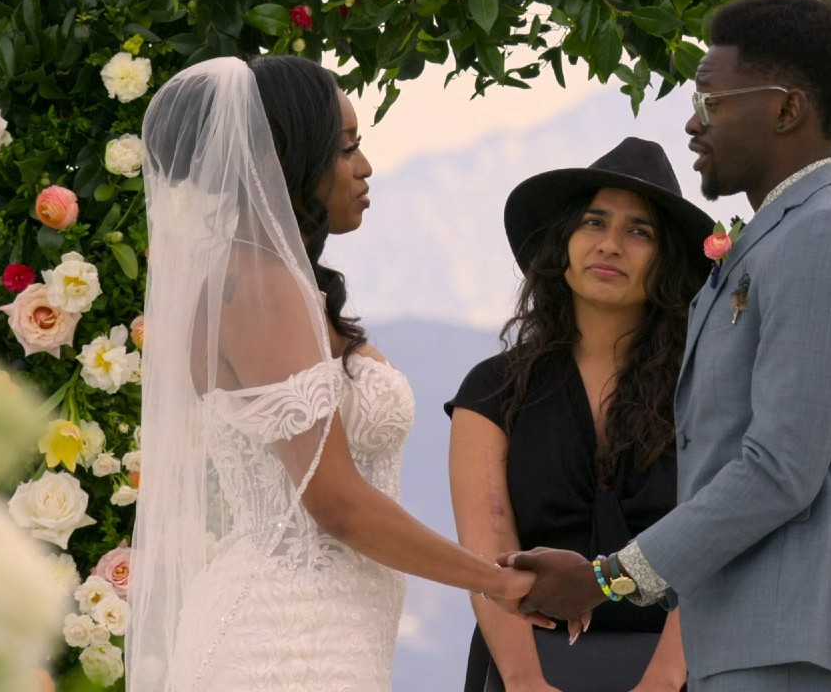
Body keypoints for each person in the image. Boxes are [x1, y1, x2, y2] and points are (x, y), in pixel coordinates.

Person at [503, 0, 831, 692]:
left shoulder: (829, 235)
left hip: (799, 652)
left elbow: (779, 468)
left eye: (711, 102)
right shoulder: (777, 239)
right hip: (750, 644)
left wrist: (609, 577)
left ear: (788, 109)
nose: (693, 125)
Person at [126, 56, 534, 692]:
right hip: (288, 641)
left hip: (326, 627)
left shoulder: (271, 283)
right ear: (280, 166)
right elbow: (336, 504)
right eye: (346, 150)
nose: (366, 168)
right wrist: (498, 581)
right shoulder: (261, 286)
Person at [446, 137, 711, 691]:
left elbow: (721, 535)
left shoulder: (705, 388)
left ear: (667, 261)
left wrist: (665, 679)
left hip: (685, 668)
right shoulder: (491, 390)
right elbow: (487, 555)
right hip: (523, 669)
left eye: (640, 231)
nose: (611, 245)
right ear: (561, 244)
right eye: (594, 222)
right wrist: (526, 682)